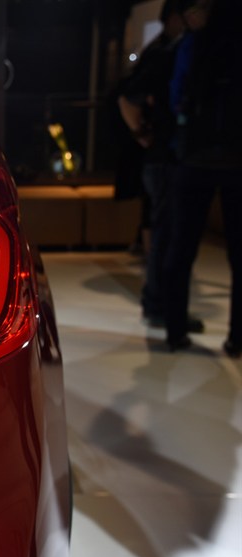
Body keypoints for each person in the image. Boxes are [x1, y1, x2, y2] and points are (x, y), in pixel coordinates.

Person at [117, 0, 204, 333]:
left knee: (163, 234)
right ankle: (158, 305)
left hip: (165, 159)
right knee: (166, 237)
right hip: (165, 159)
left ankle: (160, 304)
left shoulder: (168, 51)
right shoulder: (165, 55)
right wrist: (143, 135)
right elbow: (126, 98)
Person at [163, 0, 242, 357]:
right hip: (238, 161)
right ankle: (237, 338)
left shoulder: (194, 44)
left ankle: (175, 331)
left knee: (181, 249)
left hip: (194, 157)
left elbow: (176, 95)